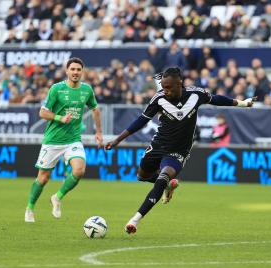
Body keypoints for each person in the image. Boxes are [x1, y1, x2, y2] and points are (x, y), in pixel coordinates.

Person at [105, 67, 256, 234]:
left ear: (180, 84)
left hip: (179, 150)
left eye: (169, 87)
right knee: (142, 176)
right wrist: (117, 140)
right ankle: (168, 186)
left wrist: (243, 103)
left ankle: (135, 220)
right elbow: (141, 121)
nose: (166, 91)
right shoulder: (159, 98)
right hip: (158, 145)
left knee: (162, 177)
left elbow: (217, 99)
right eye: (163, 87)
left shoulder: (196, 94)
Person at [25, 57, 103, 223]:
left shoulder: (87, 90)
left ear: (82, 72)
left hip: (73, 139)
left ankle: (57, 197)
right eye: (72, 69)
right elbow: (42, 112)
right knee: (43, 178)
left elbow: (95, 109)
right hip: (53, 139)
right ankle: (30, 208)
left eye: (78, 70)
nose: (75, 72)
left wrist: (99, 133)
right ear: (67, 71)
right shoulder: (57, 89)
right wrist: (60, 118)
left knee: (79, 170)